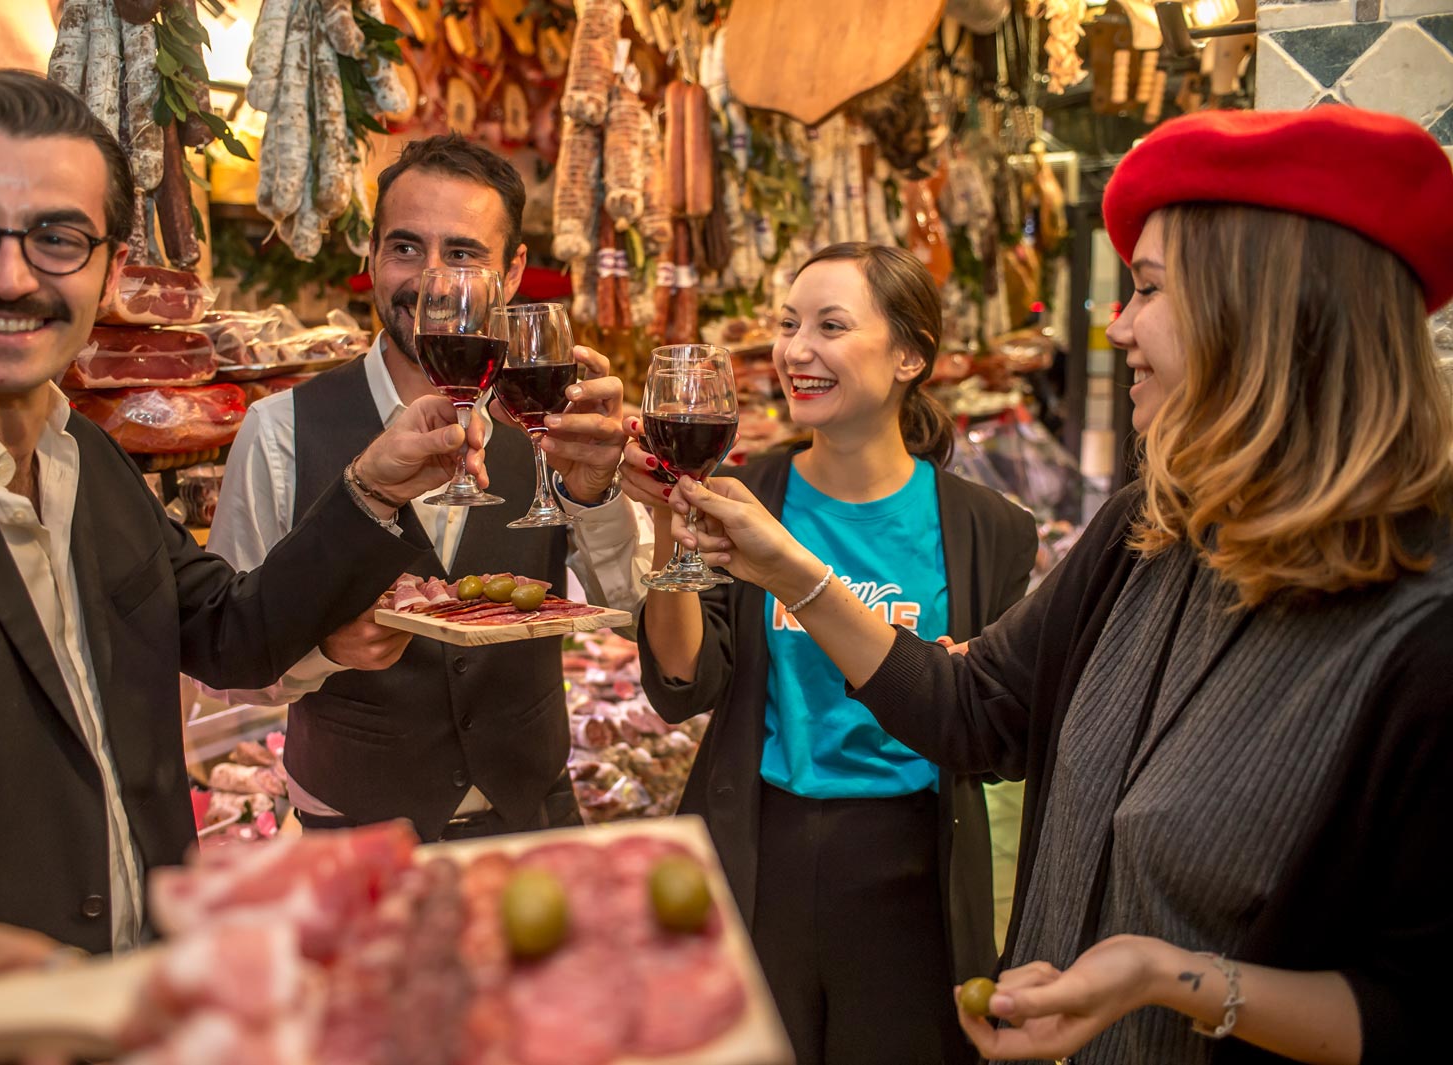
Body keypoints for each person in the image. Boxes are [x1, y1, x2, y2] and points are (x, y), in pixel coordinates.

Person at [664, 108, 1453, 1064]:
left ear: (1266, 315)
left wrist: (1171, 978)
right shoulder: (1146, 533)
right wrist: (785, 562)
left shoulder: (1422, 637)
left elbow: (1414, 1006)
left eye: (1148, 290)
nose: (1115, 326)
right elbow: (976, 706)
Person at [0, 71, 485, 957]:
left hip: (142, 1000)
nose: (10, 274)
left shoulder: (90, 462)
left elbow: (233, 631)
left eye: (58, 237)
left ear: (112, 268)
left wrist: (372, 489)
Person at [623, 243, 1038, 1065]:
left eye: (831, 326)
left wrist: (967, 667)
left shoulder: (988, 529)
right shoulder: (748, 496)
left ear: (911, 356)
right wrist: (674, 520)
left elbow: (1000, 734)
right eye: (788, 325)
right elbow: (683, 680)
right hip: (761, 851)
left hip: (911, 868)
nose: (794, 350)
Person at [207, 134, 653, 842]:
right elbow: (225, 669)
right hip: (355, 838)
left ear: (511, 274)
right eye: (406, 248)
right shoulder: (279, 430)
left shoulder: (549, 419)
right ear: (373, 257)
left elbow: (625, 607)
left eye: (464, 254)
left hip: (533, 823)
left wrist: (596, 495)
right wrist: (325, 650)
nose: (432, 281)